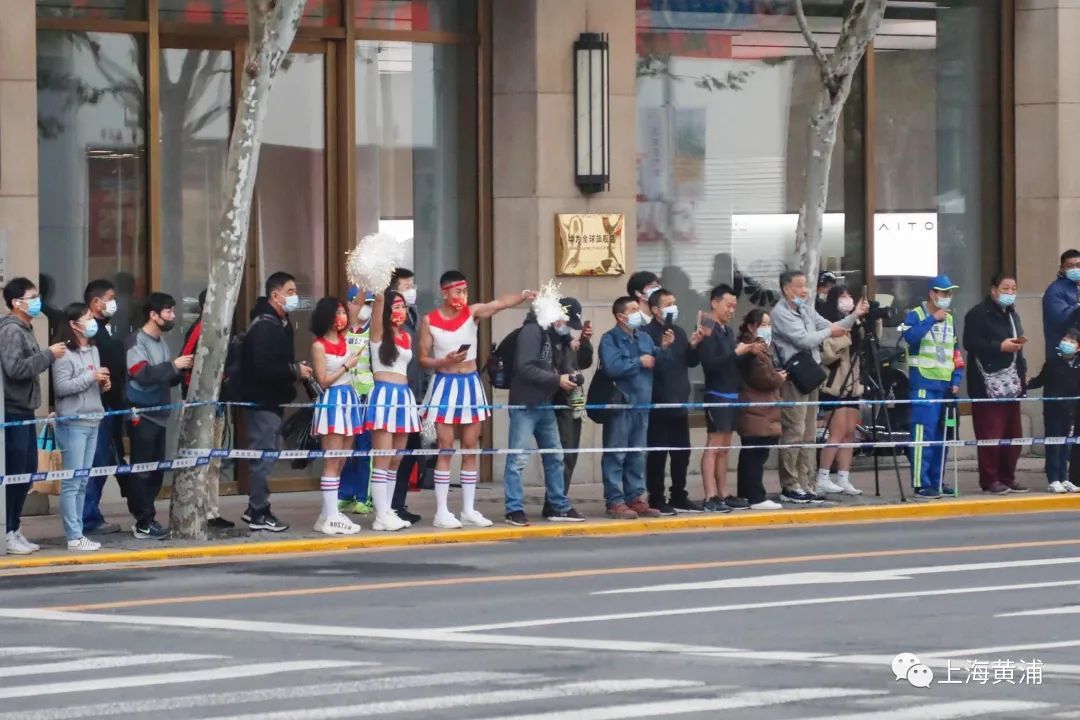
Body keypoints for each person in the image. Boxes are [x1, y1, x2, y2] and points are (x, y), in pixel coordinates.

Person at [419, 270, 533, 529]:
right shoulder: (429, 320)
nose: (463, 296)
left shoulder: (472, 313)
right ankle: (441, 512)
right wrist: (444, 361)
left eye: (465, 291)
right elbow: (423, 358)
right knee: (446, 446)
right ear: (444, 292)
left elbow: (500, 304)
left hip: (470, 384)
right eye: (458, 291)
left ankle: (468, 509)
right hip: (444, 384)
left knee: (471, 447)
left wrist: (524, 295)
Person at [771, 270, 866, 503]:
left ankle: (807, 483)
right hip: (793, 377)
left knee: (809, 432)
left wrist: (854, 315)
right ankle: (790, 485)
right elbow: (804, 340)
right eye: (799, 286)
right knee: (794, 431)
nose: (804, 290)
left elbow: (832, 326)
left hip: (811, 375)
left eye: (806, 285)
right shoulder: (780, 313)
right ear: (786, 289)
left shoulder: (805, 309)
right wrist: (829, 332)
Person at [239, 272, 313, 533]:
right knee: (264, 456)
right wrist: (294, 370)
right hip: (262, 401)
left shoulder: (281, 322)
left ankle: (255, 507)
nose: (295, 297)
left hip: (273, 399)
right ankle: (259, 511)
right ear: (275, 294)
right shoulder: (265, 326)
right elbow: (264, 367)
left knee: (267, 454)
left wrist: (293, 369)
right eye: (290, 292)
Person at [502, 296, 585, 526]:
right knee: (518, 458)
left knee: (555, 456)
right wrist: (557, 380)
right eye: (563, 321)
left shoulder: (550, 334)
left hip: (545, 403)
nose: (564, 326)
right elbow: (525, 367)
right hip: (526, 403)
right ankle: (514, 509)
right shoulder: (532, 331)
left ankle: (559, 505)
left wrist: (566, 372)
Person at [1, 277, 65, 554]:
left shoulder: (25, 328)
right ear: (17, 302)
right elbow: (15, 369)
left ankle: (14, 528)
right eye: (32, 296)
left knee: (26, 471)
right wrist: (48, 355)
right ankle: (7, 531)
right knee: (16, 473)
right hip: (12, 410)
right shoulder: (11, 330)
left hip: (24, 409)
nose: (38, 301)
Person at [125, 292, 191, 539]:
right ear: (153, 315)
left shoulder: (161, 342)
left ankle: (148, 518)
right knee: (142, 471)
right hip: (142, 414)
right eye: (168, 311)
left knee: (155, 472)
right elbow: (142, 374)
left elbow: (164, 377)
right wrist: (174, 366)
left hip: (160, 414)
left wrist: (179, 371)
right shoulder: (136, 342)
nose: (173, 315)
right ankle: (143, 520)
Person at [598, 296, 669, 520]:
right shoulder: (610, 339)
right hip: (620, 403)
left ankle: (635, 497)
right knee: (616, 453)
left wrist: (664, 349)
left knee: (637, 453)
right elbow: (612, 367)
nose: (639, 313)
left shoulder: (644, 337)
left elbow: (656, 359)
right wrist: (639, 362)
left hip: (642, 403)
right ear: (621, 316)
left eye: (639, 308)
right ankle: (615, 500)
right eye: (633, 309)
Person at [52, 303, 110, 552]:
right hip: (73, 422)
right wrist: (91, 377)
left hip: (93, 419)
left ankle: (79, 532)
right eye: (86, 318)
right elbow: (62, 387)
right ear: (73, 324)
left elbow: (92, 385)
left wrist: (103, 384)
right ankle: (74, 535)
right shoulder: (63, 353)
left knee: (83, 480)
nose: (91, 321)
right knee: (72, 481)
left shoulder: (93, 349)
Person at [963, 273, 1028, 495]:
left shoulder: (1012, 314)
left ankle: (1008, 476)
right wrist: (1000, 346)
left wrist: (1023, 375)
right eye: (1005, 288)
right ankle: (990, 480)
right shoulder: (978, 313)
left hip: (1012, 382)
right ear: (993, 290)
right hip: (988, 384)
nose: (1010, 293)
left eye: (1013, 289)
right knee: (991, 435)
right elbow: (971, 342)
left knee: (1013, 434)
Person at [901, 275, 964, 498]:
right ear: (932, 294)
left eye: (949, 293)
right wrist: (931, 320)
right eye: (944, 293)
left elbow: (955, 352)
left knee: (942, 438)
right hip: (923, 384)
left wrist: (956, 379)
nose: (947, 297)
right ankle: (921, 483)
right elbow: (909, 337)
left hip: (945, 387)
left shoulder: (950, 319)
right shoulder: (915, 315)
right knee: (922, 436)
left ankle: (936, 481)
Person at [644, 289, 704, 514]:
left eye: (674, 303)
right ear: (655, 309)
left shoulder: (678, 331)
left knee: (681, 451)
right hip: (658, 401)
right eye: (668, 304)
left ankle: (679, 494)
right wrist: (664, 347)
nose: (673, 307)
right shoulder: (646, 333)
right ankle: (656, 497)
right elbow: (653, 365)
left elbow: (690, 362)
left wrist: (694, 345)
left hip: (679, 400)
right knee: (658, 453)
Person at [309, 297, 365, 536]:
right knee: (332, 460)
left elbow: (357, 306)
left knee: (342, 459)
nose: (342, 316)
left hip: (349, 399)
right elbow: (322, 381)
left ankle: (327, 514)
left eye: (343, 312)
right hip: (332, 400)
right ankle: (331, 516)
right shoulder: (318, 346)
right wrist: (346, 366)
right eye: (338, 312)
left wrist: (367, 284)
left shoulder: (344, 338)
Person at [365, 290, 420, 532]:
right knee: (383, 456)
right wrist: (379, 292)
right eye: (396, 307)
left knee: (396, 458)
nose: (401, 311)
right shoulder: (378, 333)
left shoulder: (406, 335)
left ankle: (388, 510)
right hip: (384, 395)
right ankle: (381, 514)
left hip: (404, 396)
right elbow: (379, 303)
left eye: (403, 307)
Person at [179, 288, 233, 530]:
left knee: (214, 462)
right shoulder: (201, 328)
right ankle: (200, 509)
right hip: (201, 404)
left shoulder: (220, 329)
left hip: (216, 401)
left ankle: (212, 510)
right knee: (201, 461)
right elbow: (185, 360)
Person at [696, 284, 753, 512]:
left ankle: (723, 492)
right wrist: (736, 352)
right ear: (714, 303)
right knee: (714, 445)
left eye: (734, 306)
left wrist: (748, 352)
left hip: (732, 393)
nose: (731, 310)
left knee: (725, 447)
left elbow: (732, 362)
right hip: (717, 393)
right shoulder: (707, 326)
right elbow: (710, 364)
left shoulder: (728, 330)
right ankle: (710, 495)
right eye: (728, 305)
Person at [541, 297, 593, 519]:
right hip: (554, 402)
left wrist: (584, 342)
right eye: (565, 322)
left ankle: (558, 499)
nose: (567, 328)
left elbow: (584, 362)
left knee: (570, 454)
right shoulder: (545, 337)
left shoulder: (568, 339)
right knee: (559, 455)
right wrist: (562, 376)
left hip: (573, 401)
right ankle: (555, 503)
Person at [82, 278, 126, 534]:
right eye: (111, 298)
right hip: (97, 408)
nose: (114, 303)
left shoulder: (104, 330)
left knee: (103, 462)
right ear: (96, 302)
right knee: (95, 462)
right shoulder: (90, 332)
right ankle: (88, 517)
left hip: (110, 407)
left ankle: (91, 514)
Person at [815, 286, 865, 496]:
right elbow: (827, 354)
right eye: (843, 296)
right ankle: (823, 476)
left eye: (850, 295)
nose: (848, 299)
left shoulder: (856, 323)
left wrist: (864, 320)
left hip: (852, 385)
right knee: (836, 432)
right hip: (834, 386)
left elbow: (867, 344)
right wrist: (846, 333)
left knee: (850, 433)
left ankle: (844, 477)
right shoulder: (827, 324)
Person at [735, 309, 786, 511]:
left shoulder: (762, 346)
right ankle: (755, 496)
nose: (767, 328)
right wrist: (778, 378)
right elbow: (762, 377)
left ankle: (747, 494)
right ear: (751, 326)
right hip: (755, 408)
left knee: (755, 453)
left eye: (769, 324)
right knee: (755, 454)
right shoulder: (750, 348)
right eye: (763, 324)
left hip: (763, 408)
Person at [387, 268, 425, 525]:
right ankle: (389, 505)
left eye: (413, 284)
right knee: (393, 455)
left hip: (413, 393)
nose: (412, 290)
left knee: (409, 451)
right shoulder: (387, 322)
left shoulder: (414, 316)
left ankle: (398, 503)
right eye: (406, 285)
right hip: (395, 394)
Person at [1027, 328, 1080, 493]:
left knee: (1066, 445)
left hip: (1071, 410)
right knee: (1054, 444)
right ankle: (1053, 479)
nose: (1067, 343)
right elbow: (1040, 380)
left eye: (1072, 341)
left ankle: (1064, 478)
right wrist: (1025, 383)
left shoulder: (1078, 365)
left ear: (1078, 347)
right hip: (1053, 410)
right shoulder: (1052, 362)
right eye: (1065, 339)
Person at [338, 287, 376, 517]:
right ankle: (345, 494)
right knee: (344, 448)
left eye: (370, 304)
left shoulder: (373, 332)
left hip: (366, 396)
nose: (365, 308)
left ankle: (364, 497)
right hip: (344, 396)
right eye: (362, 303)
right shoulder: (341, 331)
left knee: (364, 449)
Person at [1042, 249, 1080, 361]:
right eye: (1070, 266)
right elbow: (1060, 319)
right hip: (1064, 351)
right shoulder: (1055, 291)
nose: (1075, 269)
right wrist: (1078, 306)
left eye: (1078, 265)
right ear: (1062, 268)